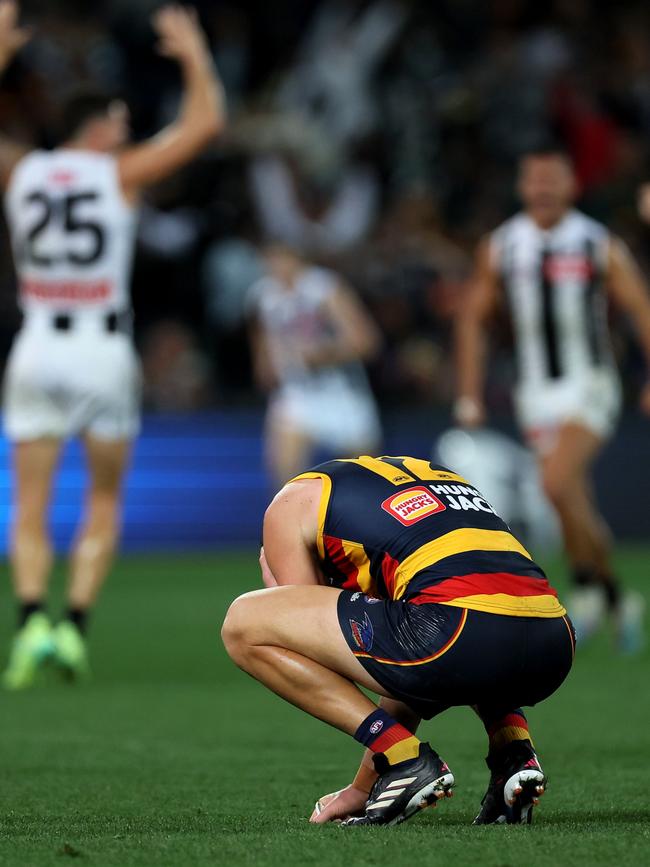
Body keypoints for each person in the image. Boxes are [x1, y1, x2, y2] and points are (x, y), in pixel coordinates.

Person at [0, 0, 225, 689]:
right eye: (120, 124)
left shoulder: (20, 171)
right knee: (102, 498)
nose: (125, 133)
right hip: (101, 348)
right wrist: (192, 51)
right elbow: (205, 123)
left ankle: (31, 619)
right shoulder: (117, 174)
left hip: (36, 343)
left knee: (30, 503)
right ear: (96, 128)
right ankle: (73, 626)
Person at [222, 454, 574, 827]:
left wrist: (276, 595)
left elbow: (306, 630)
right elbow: (401, 664)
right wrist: (362, 788)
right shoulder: (427, 477)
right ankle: (513, 753)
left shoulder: (288, 503)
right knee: (458, 619)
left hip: (457, 635)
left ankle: (404, 760)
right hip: (555, 640)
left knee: (244, 622)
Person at [454, 148, 650, 651]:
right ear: (522, 188)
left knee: (555, 481)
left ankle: (587, 589)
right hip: (536, 391)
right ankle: (613, 594)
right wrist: (469, 392)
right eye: (534, 181)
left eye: (552, 180)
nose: (542, 190)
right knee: (570, 498)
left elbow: (639, 307)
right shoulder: (503, 246)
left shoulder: (596, 243)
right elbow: (473, 318)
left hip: (591, 384)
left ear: (572, 186)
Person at [248, 244, 382, 486]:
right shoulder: (264, 295)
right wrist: (266, 369)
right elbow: (264, 345)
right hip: (297, 395)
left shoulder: (324, 289)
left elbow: (366, 342)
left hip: (342, 394)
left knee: (364, 483)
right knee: (285, 486)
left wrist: (322, 355)